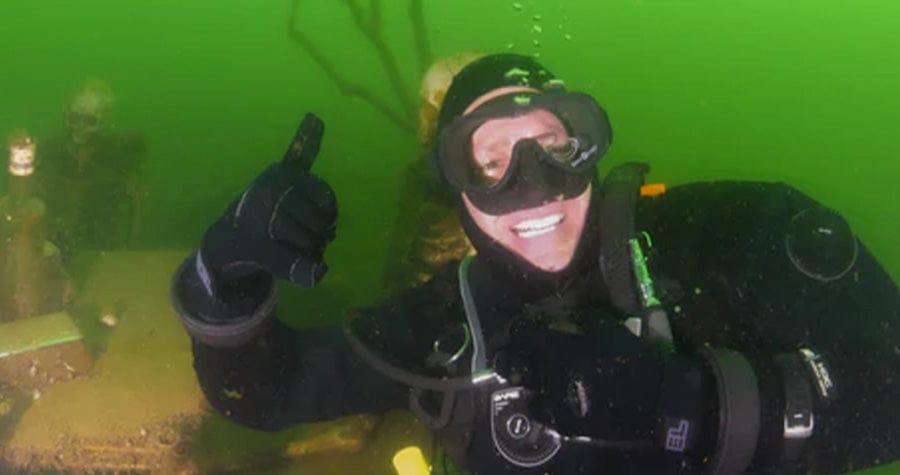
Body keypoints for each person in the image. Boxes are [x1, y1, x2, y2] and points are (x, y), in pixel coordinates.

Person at [171, 54, 899, 474]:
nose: (531, 183)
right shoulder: (448, 325)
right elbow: (262, 395)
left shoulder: (733, 234)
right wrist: (222, 281)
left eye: (552, 147)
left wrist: (690, 401)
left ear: (591, 149)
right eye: (489, 160)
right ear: (455, 188)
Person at [36, 79, 146, 260]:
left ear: (104, 122)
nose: (80, 127)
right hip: (53, 248)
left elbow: (137, 199)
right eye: (75, 118)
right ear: (66, 114)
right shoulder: (49, 152)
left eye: (90, 121)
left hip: (102, 248)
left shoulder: (117, 157)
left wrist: (129, 248)